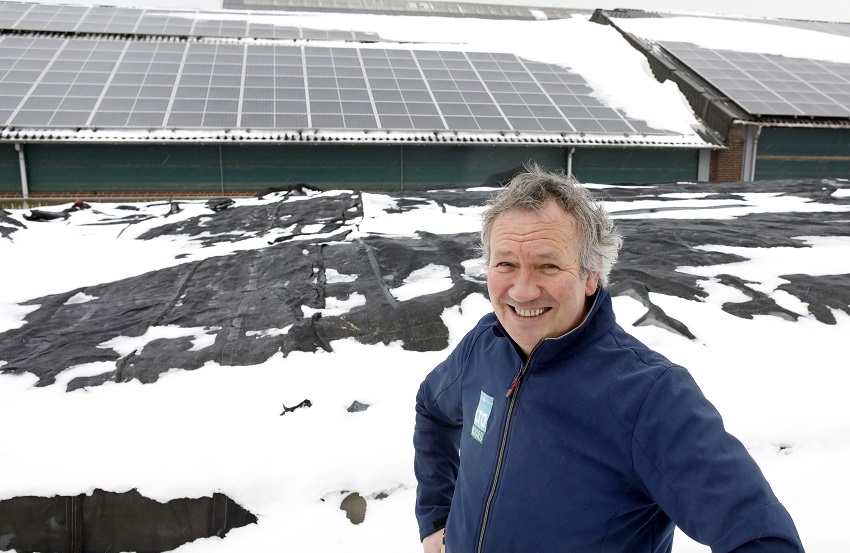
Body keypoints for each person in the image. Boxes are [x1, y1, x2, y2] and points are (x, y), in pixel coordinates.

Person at [412, 167, 804, 552]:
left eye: (548, 265)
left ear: (590, 275)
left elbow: (761, 537)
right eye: (505, 264)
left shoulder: (649, 395)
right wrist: (436, 518)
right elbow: (432, 408)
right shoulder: (485, 344)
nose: (523, 290)